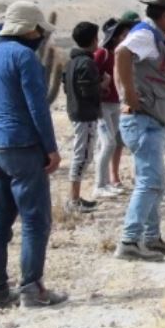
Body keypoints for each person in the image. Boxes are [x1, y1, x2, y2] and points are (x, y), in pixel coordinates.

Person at [0, 2, 66, 308]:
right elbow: (37, 108)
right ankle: (31, 289)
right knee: (35, 221)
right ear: (28, 29)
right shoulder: (25, 57)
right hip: (23, 148)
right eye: (39, 30)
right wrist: (50, 148)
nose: (41, 36)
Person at [114, 0, 165, 260]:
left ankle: (151, 237)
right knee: (150, 181)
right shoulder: (145, 35)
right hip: (142, 120)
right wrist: (128, 93)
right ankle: (129, 241)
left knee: (154, 181)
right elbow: (122, 53)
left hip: (152, 121)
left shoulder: (157, 38)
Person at [93, 11, 138, 197]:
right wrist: (101, 85)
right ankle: (99, 185)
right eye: (124, 35)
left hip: (116, 104)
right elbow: (89, 74)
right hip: (103, 105)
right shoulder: (103, 54)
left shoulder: (122, 55)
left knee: (114, 143)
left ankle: (109, 181)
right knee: (108, 143)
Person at [63, 20, 102, 214]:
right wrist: (102, 84)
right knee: (82, 155)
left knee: (82, 154)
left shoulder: (71, 62)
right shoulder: (87, 63)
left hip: (76, 112)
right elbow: (88, 91)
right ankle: (73, 199)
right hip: (84, 114)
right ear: (94, 39)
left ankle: (75, 197)